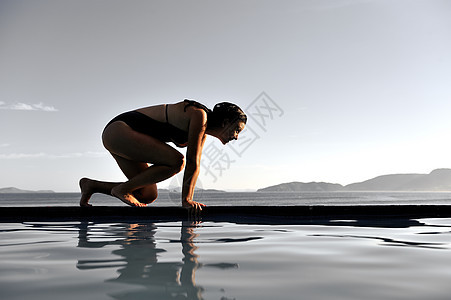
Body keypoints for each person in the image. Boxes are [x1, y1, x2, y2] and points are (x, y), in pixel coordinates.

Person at [79, 99, 247, 212]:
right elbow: (189, 162)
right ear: (225, 122)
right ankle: (122, 189)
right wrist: (187, 201)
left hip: (120, 137)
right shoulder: (199, 115)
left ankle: (92, 185)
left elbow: (196, 165)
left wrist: (187, 199)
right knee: (176, 162)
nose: (236, 136)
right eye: (237, 130)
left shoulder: (202, 132)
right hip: (119, 131)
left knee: (147, 194)